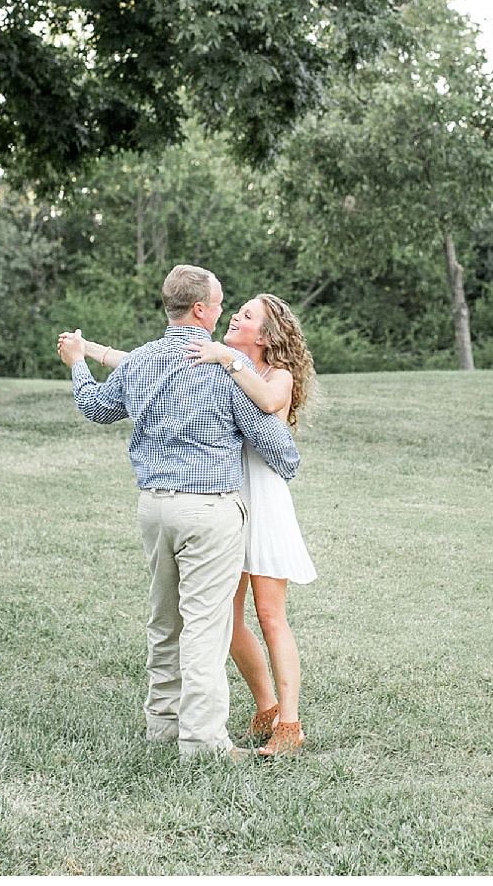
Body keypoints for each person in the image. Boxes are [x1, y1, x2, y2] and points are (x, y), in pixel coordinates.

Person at [56, 265, 298, 764]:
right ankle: (203, 743)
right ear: (201, 310)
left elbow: (97, 407)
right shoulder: (224, 367)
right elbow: (279, 449)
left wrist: (79, 362)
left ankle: (163, 725)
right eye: (222, 303)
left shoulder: (143, 360)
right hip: (208, 511)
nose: (225, 312)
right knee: (206, 628)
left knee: (164, 621)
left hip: (154, 509)